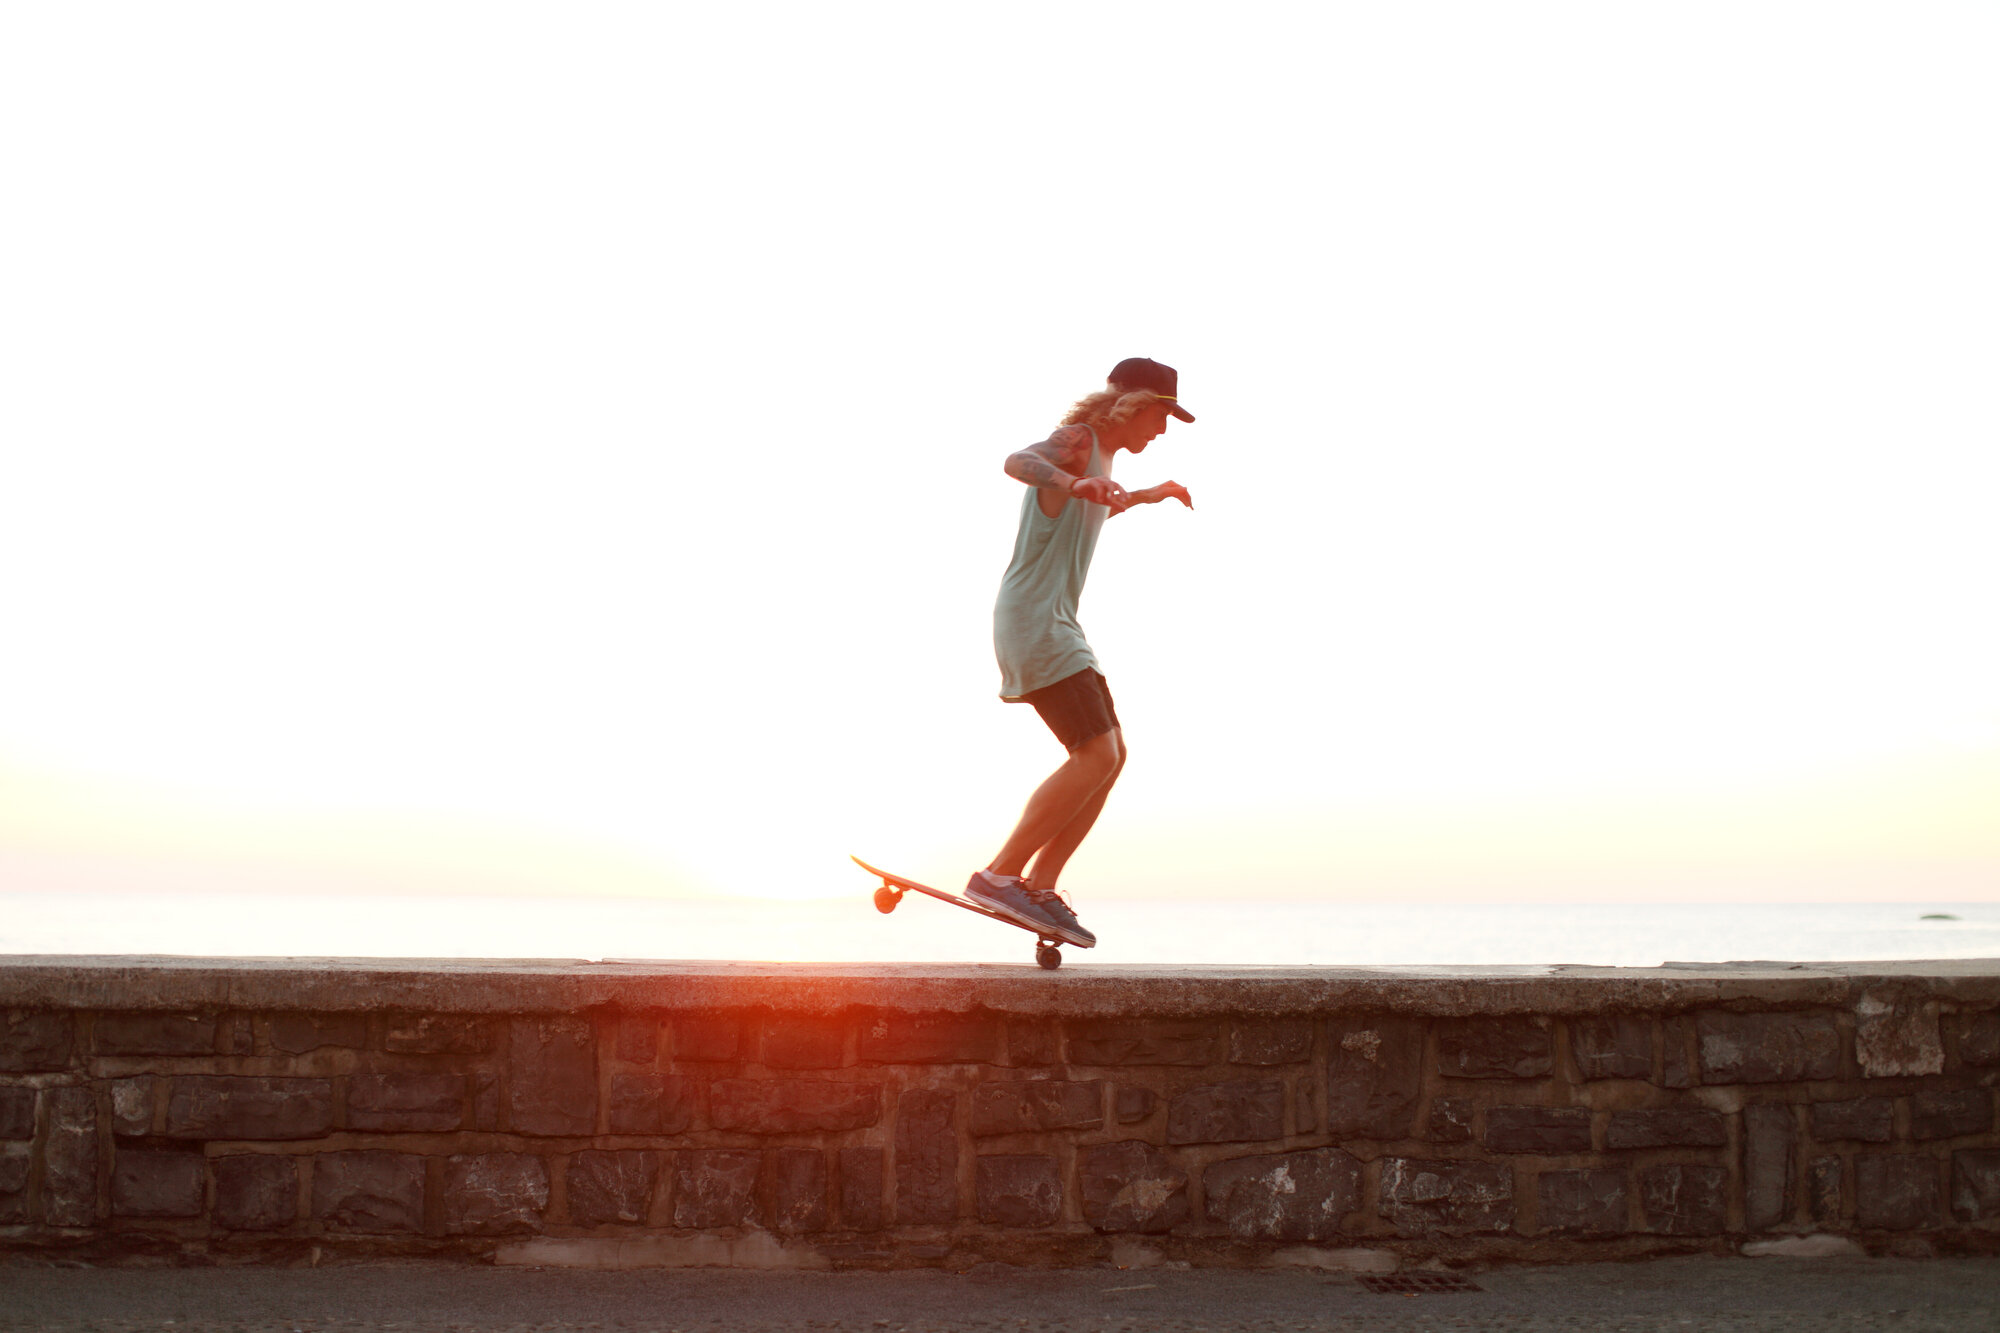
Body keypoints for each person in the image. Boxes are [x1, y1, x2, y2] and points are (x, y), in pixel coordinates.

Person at [964, 357, 1196, 948]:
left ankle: (1040, 886)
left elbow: (1100, 501)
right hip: (1034, 621)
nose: (1162, 431)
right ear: (1134, 405)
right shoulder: (1077, 443)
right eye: (1162, 415)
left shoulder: (1104, 461)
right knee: (1093, 754)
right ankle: (997, 876)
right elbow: (1018, 462)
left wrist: (1150, 494)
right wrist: (1071, 480)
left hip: (1057, 622)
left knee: (1111, 756)